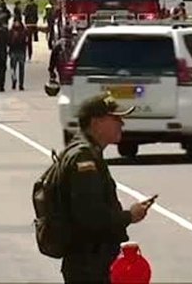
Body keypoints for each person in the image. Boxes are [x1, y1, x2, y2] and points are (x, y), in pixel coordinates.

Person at [59, 94, 153, 283]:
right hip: (89, 262)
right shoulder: (84, 159)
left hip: (91, 259)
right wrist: (129, 215)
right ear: (96, 123)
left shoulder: (88, 153)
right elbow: (90, 216)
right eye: (116, 119)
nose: (122, 124)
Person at [8, 18, 30, 90]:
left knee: (12, 68)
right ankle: (21, 84)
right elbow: (27, 42)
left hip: (13, 51)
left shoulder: (11, 31)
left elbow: (8, 42)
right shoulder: (24, 31)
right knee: (21, 69)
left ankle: (14, 80)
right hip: (21, 52)